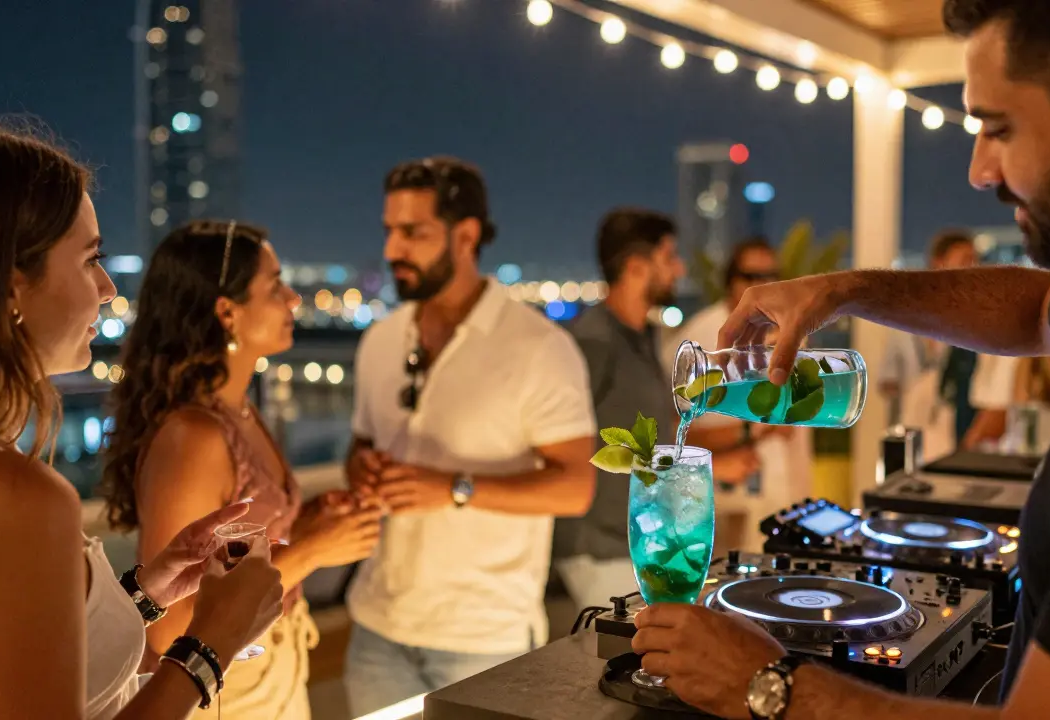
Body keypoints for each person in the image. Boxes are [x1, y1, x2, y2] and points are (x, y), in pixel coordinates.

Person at [631, 0, 1050, 717]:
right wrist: (847, 291)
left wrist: (769, 685)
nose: (978, 169)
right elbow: (1036, 309)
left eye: (999, 128)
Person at [0, 123, 284, 720]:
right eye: (90, 258)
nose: (108, 287)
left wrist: (141, 595)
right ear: (13, 284)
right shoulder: (9, 498)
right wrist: (210, 645)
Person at [342, 156, 597, 715]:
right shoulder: (380, 341)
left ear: (466, 235)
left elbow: (575, 487)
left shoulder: (538, 348)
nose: (392, 250)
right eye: (389, 230)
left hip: (485, 638)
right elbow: (360, 446)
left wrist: (455, 488)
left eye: (413, 232)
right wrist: (361, 468)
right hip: (375, 630)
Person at [102, 220, 384, 719]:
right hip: (225, 689)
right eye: (275, 286)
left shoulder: (241, 412)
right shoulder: (195, 438)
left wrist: (309, 521)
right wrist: (315, 550)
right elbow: (170, 628)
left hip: (270, 665)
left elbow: (238, 545)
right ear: (227, 312)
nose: (294, 299)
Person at [554, 209, 760, 608]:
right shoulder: (591, 344)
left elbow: (656, 434)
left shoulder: (645, 339)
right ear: (635, 266)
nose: (679, 268)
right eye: (669, 257)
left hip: (637, 541)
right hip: (598, 549)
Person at [664, 236, 814, 551]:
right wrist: (758, 427)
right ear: (732, 282)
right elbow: (675, 432)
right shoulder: (701, 338)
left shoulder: (792, 332)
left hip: (787, 501)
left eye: (771, 275)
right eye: (752, 277)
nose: (764, 285)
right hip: (725, 503)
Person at [878, 230, 980, 458]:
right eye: (965, 259)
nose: (973, 266)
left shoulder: (975, 321)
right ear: (939, 262)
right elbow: (887, 379)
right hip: (910, 427)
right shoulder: (905, 319)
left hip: (955, 429)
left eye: (975, 260)